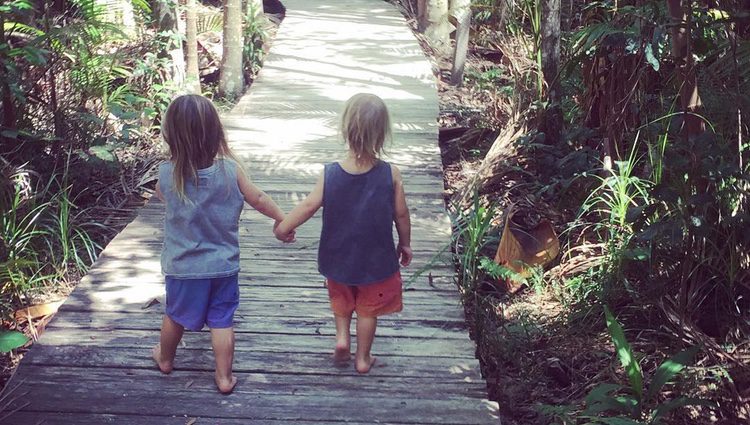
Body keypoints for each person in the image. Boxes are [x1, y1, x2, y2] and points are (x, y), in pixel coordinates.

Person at [151, 94, 291, 393]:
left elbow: (163, 198)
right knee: (222, 320)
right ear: (216, 132)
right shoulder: (231, 171)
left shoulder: (167, 175)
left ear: (171, 135)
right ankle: (225, 377)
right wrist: (281, 218)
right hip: (223, 267)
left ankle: (165, 358)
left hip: (183, 267)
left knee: (175, 315)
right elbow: (259, 198)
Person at [274, 93, 412, 374]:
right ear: (382, 135)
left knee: (341, 300)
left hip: (337, 257)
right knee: (368, 309)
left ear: (345, 130)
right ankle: (362, 358)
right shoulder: (391, 173)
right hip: (376, 260)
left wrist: (284, 227)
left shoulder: (331, 173)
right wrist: (405, 244)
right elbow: (401, 214)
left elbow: (309, 205)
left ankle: (340, 339)